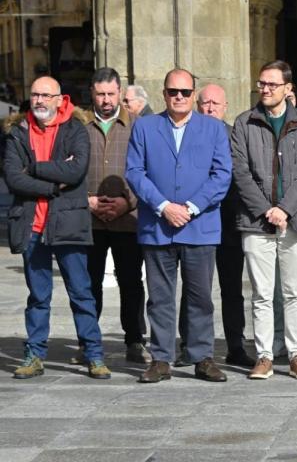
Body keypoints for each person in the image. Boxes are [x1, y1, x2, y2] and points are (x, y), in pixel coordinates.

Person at [126, 69, 232, 383]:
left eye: (185, 92)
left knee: (200, 295)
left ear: (193, 94)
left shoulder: (213, 129)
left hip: (200, 225)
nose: (179, 97)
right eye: (174, 91)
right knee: (159, 296)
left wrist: (189, 207)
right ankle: (161, 358)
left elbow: (222, 175)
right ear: (164, 93)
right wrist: (163, 207)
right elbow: (134, 172)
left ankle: (202, 356)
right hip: (158, 226)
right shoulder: (145, 127)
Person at [6, 76, 110, 380]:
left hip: (68, 222)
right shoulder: (17, 132)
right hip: (31, 225)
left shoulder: (76, 128)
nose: (39, 100)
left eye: (45, 95)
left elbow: (76, 170)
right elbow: (13, 177)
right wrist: (54, 185)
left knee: (81, 292)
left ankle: (94, 354)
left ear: (59, 99)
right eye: (35, 94)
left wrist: (35, 168)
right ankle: (34, 355)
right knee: (38, 296)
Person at [231, 60, 297, 380]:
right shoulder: (245, 122)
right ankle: (265, 355)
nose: (265, 89)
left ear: (288, 88)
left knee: (296, 292)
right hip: (257, 222)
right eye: (262, 84)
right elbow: (240, 172)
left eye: (272, 84)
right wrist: (266, 210)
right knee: (262, 293)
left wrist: (284, 209)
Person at [84, 68, 149, 365]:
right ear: (92, 94)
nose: (106, 100)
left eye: (111, 94)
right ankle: (89, 341)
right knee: (88, 283)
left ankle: (134, 339)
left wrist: (128, 202)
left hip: (128, 220)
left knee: (131, 282)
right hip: (89, 221)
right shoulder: (79, 127)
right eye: (100, 94)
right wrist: (88, 202)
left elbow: (147, 171)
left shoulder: (138, 126)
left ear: (120, 93)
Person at [193, 83, 255, 367]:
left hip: (229, 222)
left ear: (225, 107)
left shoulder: (235, 136)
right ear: (197, 105)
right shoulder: (188, 133)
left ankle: (235, 345)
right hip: (196, 222)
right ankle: (192, 345)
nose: (210, 108)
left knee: (232, 289)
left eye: (215, 104)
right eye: (205, 103)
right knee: (196, 288)